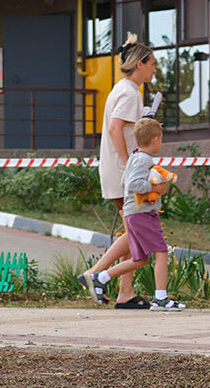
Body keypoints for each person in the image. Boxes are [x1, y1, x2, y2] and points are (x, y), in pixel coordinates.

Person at [80, 33, 157, 309]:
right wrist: (129, 165)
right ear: (140, 64)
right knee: (136, 231)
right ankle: (94, 274)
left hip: (117, 169)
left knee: (132, 229)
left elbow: (121, 129)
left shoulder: (123, 90)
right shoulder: (128, 93)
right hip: (122, 171)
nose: (154, 69)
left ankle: (125, 292)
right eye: (152, 64)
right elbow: (115, 129)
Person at [83, 118, 186, 312]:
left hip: (134, 213)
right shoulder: (144, 159)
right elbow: (132, 184)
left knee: (140, 260)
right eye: (161, 139)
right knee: (162, 251)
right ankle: (161, 298)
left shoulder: (134, 156)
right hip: (142, 213)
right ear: (155, 139)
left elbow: (124, 179)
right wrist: (155, 187)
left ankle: (100, 277)